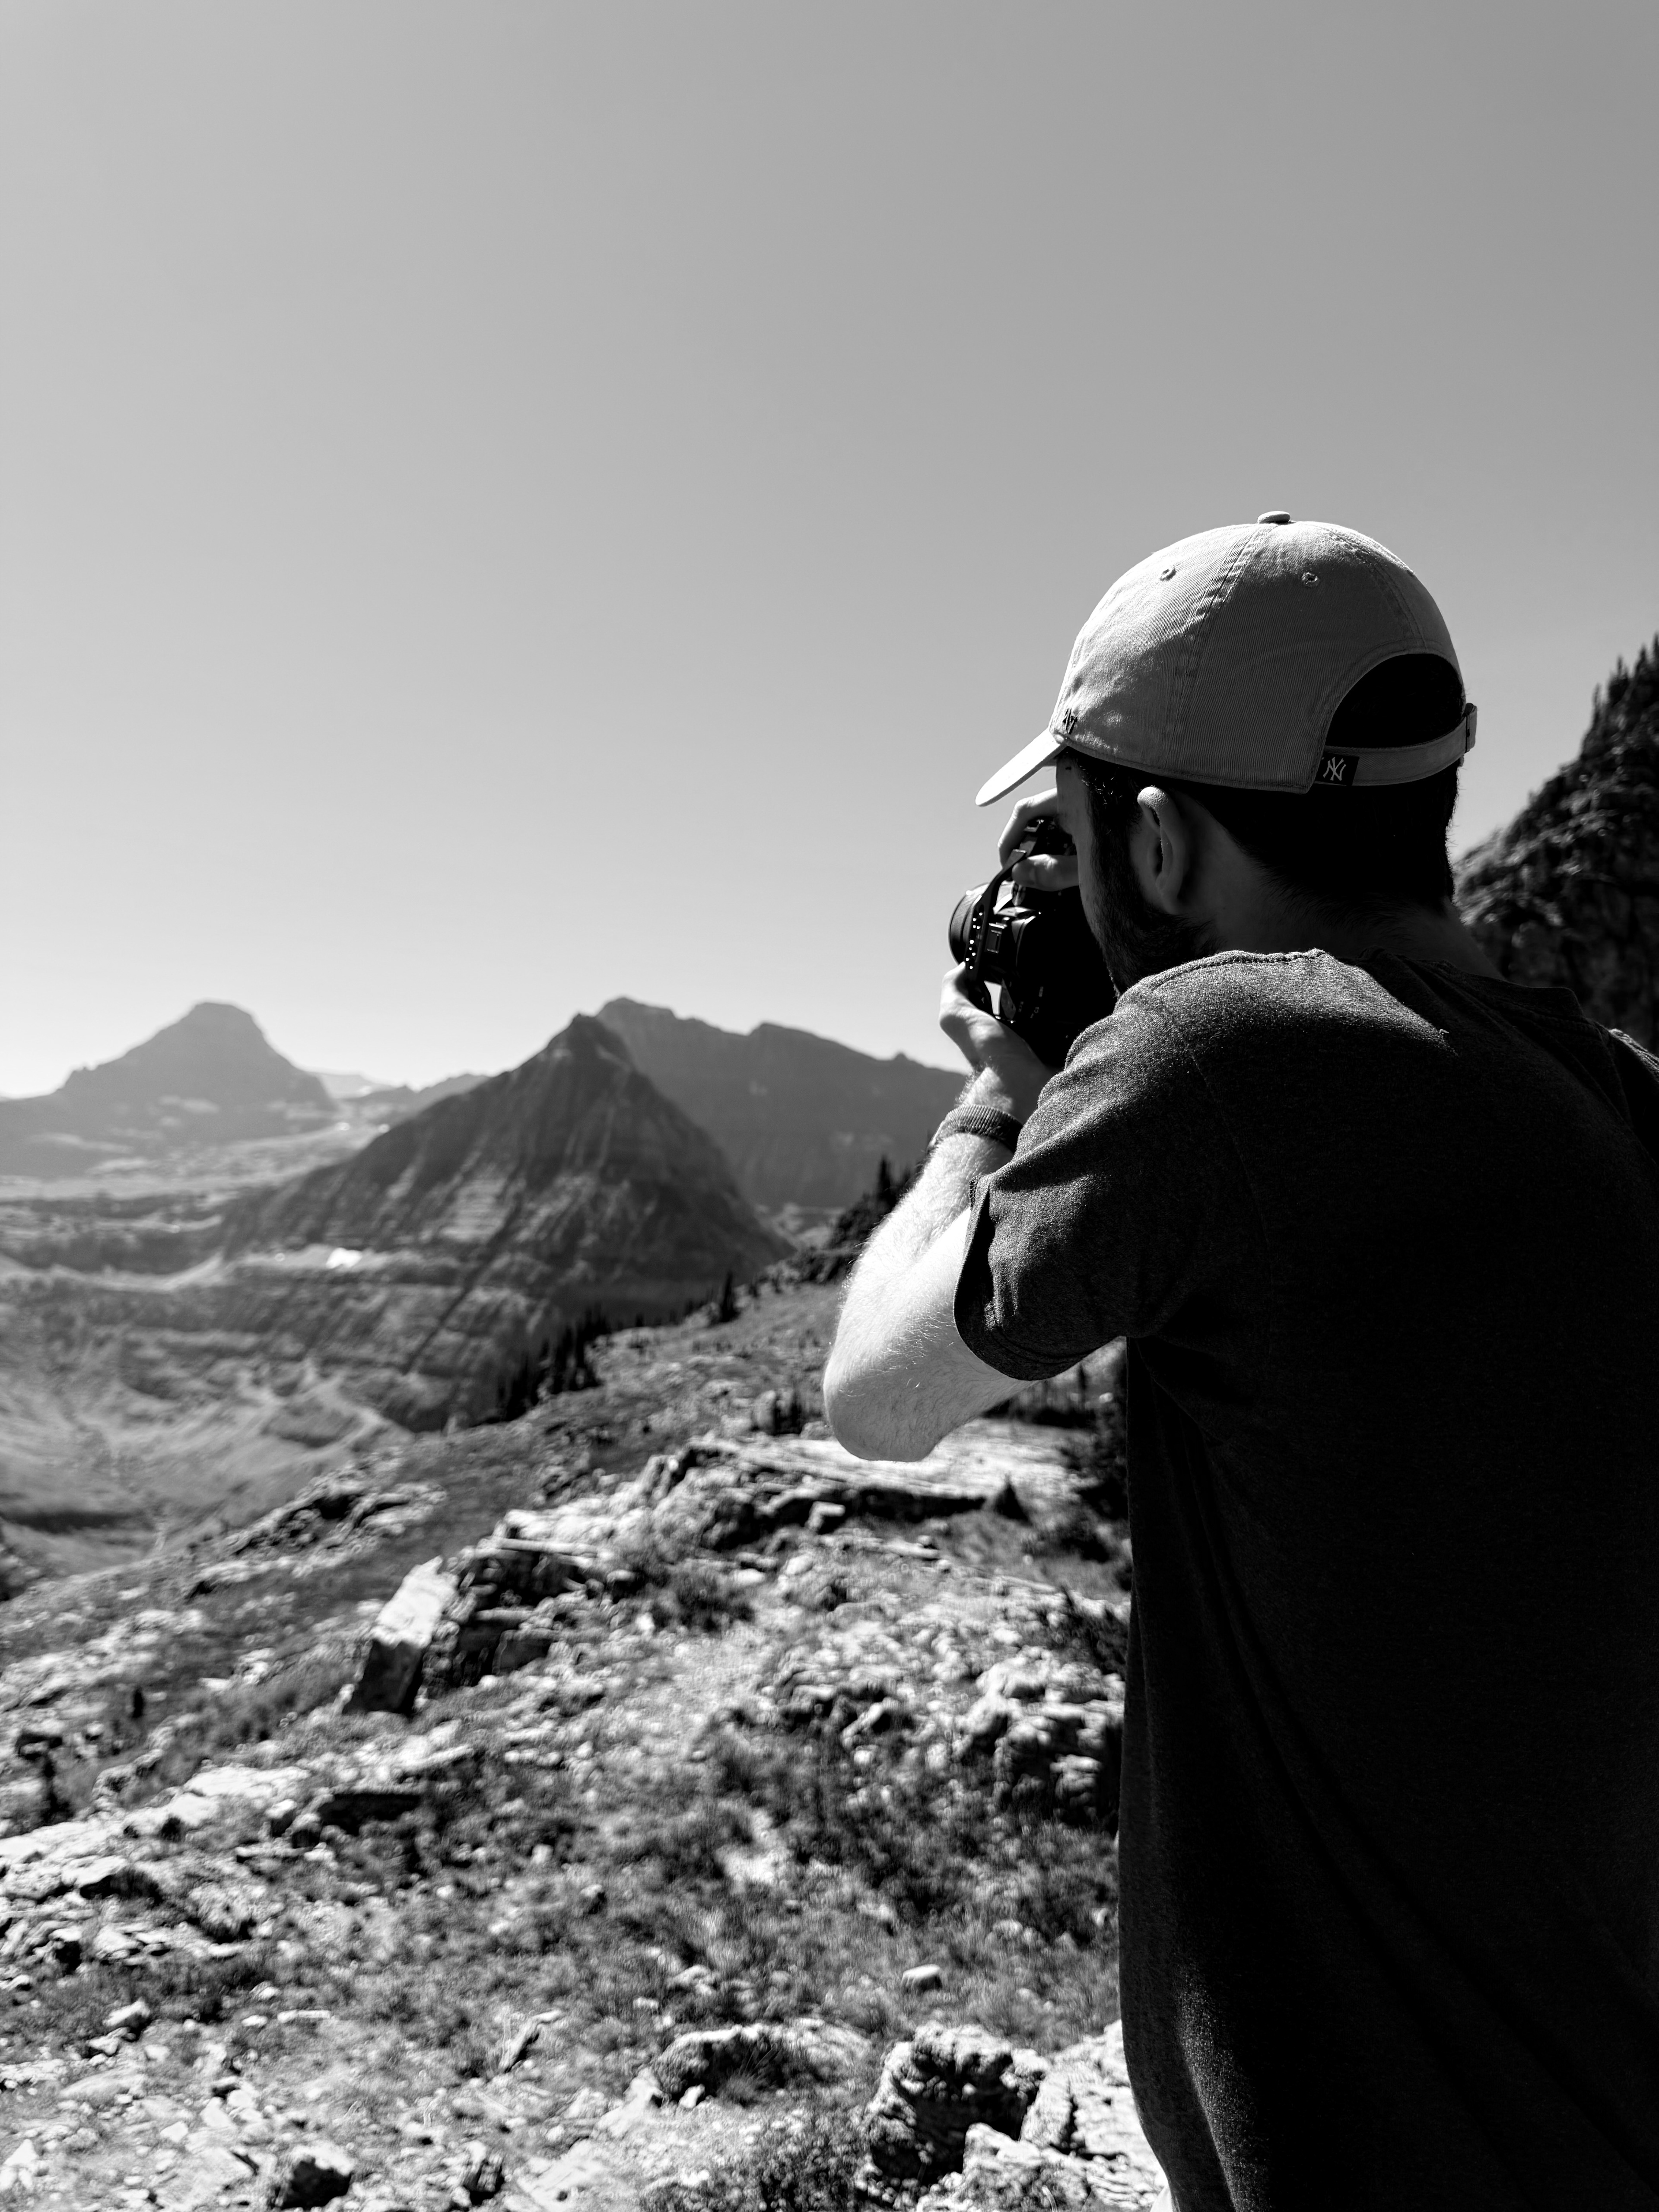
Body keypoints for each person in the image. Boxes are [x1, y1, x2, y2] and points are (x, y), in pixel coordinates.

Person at [823, 515, 1659, 2211]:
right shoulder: (1618, 1091)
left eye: (1074, 836)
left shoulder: (1219, 1051)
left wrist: (995, 1096)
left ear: (1160, 840)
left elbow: (878, 1396)